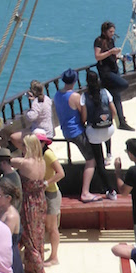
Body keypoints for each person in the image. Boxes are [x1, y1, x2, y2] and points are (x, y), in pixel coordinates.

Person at [6, 134, 49, 273]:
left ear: (28, 147)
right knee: (37, 239)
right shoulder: (41, 161)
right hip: (40, 201)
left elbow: (5, 160)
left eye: (24, 146)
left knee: (29, 242)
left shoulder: (24, 163)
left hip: (29, 204)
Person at [52, 68, 99, 202]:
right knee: (91, 160)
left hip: (66, 130)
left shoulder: (57, 95)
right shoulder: (75, 96)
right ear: (75, 80)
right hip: (77, 131)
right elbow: (83, 115)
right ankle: (85, 192)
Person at [81, 69, 117, 200]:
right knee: (106, 133)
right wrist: (108, 121)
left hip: (94, 134)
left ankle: (111, 191)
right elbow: (113, 111)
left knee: (99, 163)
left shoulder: (84, 97)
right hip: (108, 130)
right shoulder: (106, 92)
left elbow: (84, 118)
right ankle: (109, 153)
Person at [93, 21, 134, 131]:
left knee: (117, 97)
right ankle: (111, 92)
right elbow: (97, 56)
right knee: (123, 85)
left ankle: (122, 122)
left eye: (113, 31)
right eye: (110, 31)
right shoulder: (99, 41)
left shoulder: (111, 40)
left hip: (114, 69)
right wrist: (111, 52)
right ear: (104, 31)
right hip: (106, 72)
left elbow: (113, 55)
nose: (112, 33)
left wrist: (121, 57)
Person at [34, 128, 64, 265]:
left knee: (52, 227)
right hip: (43, 194)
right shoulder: (35, 154)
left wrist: (47, 183)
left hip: (51, 194)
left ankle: (54, 257)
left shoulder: (48, 155)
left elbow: (60, 173)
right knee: (45, 225)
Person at [9, 80, 54, 151]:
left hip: (40, 132)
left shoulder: (36, 103)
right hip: (49, 131)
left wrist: (28, 112)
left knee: (13, 137)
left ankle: (27, 152)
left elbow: (31, 117)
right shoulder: (47, 99)